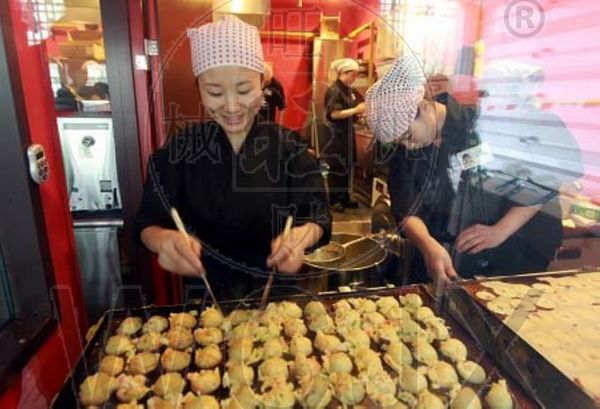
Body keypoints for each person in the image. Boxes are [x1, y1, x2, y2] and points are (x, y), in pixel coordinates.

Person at [135, 16, 331, 300]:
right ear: (199, 88)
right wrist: (162, 240)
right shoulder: (181, 149)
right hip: (205, 300)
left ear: (263, 83)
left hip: (277, 299)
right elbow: (146, 221)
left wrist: (302, 237)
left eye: (244, 90)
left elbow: (319, 215)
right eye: (214, 92)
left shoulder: (290, 147)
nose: (231, 106)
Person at [365, 56, 567, 286]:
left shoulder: (482, 125)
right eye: (399, 141)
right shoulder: (406, 150)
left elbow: (543, 181)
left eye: (408, 136)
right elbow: (406, 206)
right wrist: (427, 244)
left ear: (423, 107)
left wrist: (499, 231)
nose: (407, 146)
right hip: (457, 252)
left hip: (516, 246)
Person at [323, 58, 365, 212]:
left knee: (347, 167)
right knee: (337, 168)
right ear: (343, 73)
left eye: (356, 75)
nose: (354, 78)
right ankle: (334, 200)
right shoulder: (334, 90)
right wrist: (356, 111)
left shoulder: (350, 90)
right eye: (353, 75)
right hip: (336, 136)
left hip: (347, 134)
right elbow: (334, 114)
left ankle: (344, 197)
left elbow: (361, 103)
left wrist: (360, 112)